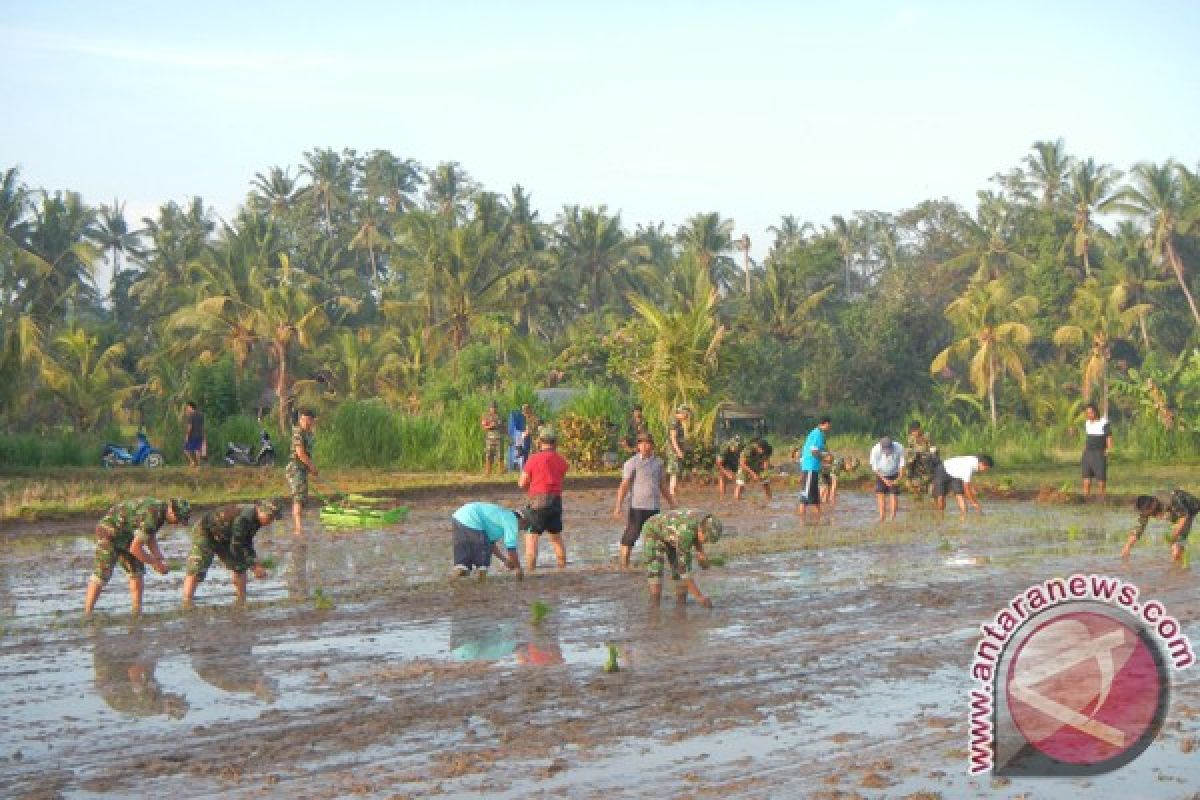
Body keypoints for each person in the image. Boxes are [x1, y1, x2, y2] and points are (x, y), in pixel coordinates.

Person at [84, 497, 191, 616]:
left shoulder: (160, 511)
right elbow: (135, 548)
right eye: (178, 520)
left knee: (136, 571)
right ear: (172, 511)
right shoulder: (153, 514)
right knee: (102, 573)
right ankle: (87, 613)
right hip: (109, 532)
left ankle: (137, 611)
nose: (177, 524)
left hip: (128, 535)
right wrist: (155, 563)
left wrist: (159, 557)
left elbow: (149, 536)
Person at [182, 500, 283, 608]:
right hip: (206, 533)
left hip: (227, 536)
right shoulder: (244, 518)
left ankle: (241, 599)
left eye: (273, 519)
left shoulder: (257, 519)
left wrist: (252, 560)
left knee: (239, 566)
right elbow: (238, 545)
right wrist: (254, 566)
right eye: (270, 517)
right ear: (261, 511)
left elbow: (246, 541)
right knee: (197, 567)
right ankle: (187, 602)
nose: (271, 521)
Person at [613, 431, 676, 569]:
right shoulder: (631, 463)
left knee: (656, 537)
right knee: (630, 536)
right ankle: (624, 565)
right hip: (637, 507)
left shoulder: (658, 463)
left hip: (654, 507)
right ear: (638, 446)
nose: (645, 446)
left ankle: (654, 565)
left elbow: (663, 485)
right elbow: (624, 485)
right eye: (642, 443)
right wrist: (618, 506)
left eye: (648, 443)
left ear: (652, 445)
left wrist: (671, 502)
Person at [641, 509, 723, 608]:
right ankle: (655, 607)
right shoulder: (686, 534)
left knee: (677, 572)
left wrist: (700, 552)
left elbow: (696, 535)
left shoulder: (704, 519)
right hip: (653, 531)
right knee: (656, 571)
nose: (706, 542)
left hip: (673, 533)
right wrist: (700, 597)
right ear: (701, 530)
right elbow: (684, 571)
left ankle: (681, 606)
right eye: (706, 540)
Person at [519, 425, 570, 570]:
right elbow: (560, 476)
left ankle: (530, 570)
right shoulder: (561, 460)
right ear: (555, 443)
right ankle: (562, 568)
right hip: (555, 501)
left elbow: (522, 482)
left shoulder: (534, 459)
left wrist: (530, 489)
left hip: (538, 502)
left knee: (532, 537)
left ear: (540, 442)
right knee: (556, 537)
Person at [451, 501, 526, 580]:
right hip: (472, 517)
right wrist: (518, 569)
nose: (521, 529)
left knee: (462, 566)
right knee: (482, 566)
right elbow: (511, 548)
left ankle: (452, 583)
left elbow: (490, 544)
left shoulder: (500, 519)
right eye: (523, 526)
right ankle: (482, 587)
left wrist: (504, 560)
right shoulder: (512, 519)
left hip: (459, 516)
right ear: (521, 520)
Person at [1121, 489, 1200, 563]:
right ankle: (1179, 568)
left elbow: (1184, 516)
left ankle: (1179, 569)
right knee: (1176, 549)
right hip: (1177, 514)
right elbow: (1139, 528)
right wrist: (1127, 546)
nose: (1149, 515)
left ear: (1153, 504)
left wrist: (1175, 534)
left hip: (1189, 509)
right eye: (1146, 513)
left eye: (1150, 512)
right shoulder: (1145, 508)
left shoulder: (1169, 500)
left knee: (1176, 546)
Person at [286, 409, 318, 532]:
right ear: (300, 420)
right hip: (295, 469)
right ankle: (298, 528)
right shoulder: (298, 433)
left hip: (302, 468)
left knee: (302, 498)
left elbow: (308, 453)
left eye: (308, 420)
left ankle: (299, 526)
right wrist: (312, 466)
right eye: (303, 420)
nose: (306, 422)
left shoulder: (309, 434)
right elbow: (300, 454)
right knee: (298, 498)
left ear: (312, 421)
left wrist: (309, 467)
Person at [798, 417, 831, 524]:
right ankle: (801, 521)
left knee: (815, 497)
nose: (829, 427)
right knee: (805, 497)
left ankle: (819, 519)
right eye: (829, 425)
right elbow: (814, 452)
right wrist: (825, 458)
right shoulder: (817, 434)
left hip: (813, 468)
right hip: (810, 467)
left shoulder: (818, 434)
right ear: (824, 424)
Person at [1081, 403, 1114, 501]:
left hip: (1099, 453)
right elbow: (1088, 438)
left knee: (1101, 478)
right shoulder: (1087, 423)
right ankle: (1086, 497)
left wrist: (1108, 450)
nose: (1089, 415)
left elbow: (1109, 437)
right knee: (1086, 477)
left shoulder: (1104, 422)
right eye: (1087, 413)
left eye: (1091, 412)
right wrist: (1084, 450)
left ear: (1095, 412)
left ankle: (1102, 498)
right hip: (1088, 453)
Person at [869, 436, 906, 521]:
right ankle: (882, 517)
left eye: (889, 449)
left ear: (892, 445)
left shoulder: (899, 448)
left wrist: (898, 479)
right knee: (880, 494)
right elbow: (874, 468)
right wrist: (884, 479)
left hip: (895, 473)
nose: (887, 452)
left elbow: (902, 464)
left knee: (893, 495)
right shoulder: (875, 450)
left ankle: (892, 518)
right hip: (881, 474)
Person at [904, 421, 939, 498]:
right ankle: (919, 504)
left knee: (932, 492)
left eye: (915, 431)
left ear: (919, 429)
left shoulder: (927, 436)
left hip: (928, 463)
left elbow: (934, 450)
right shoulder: (911, 438)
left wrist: (926, 454)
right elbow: (910, 451)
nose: (913, 433)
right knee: (914, 488)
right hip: (917, 465)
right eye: (912, 431)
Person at [667, 405, 690, 496]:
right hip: (673, 450)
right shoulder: (674, 422)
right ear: (682, 413)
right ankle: (672, 492)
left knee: (676, 471)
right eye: (686, 415)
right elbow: (673, 438)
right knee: (674, 471)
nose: (687, 417)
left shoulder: (678, 422)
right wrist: (678, 451)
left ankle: (673, 490)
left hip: (676, 449)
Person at [715, 435, 744, 499]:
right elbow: (718, 463)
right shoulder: (725, 448)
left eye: (738, 446)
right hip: (725, 460)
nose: (737, 448)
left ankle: (737, 496)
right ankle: (722, 496)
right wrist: (727, 473)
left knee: (739, 477)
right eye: (736, 446)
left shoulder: (742, 447)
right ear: (731, 444)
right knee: (722, 476)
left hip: (734, 459)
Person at [481, 401, 503, 475]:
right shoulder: (486, 416)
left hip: (498, 438)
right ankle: (488, 471)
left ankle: (500, 471)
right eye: (492, 407)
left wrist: (506, 435)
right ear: (489, 408)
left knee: (500, 456)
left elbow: (504, 427)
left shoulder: (500, 416)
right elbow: (484, 427)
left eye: (494, 407)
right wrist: (491, 426)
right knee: (489, 455)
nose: (493, 409)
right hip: (490, 438)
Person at [183, 400, 205, 468]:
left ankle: (192, 462)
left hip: (193, 435)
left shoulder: (191, 416)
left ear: (191, 407)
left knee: (185, 449)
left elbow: (190, 427)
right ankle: (198, 465)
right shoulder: (201, 415)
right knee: (197, 449)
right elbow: (202, 426)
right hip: (200, 435)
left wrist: (187, 436)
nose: (187, 409)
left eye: (187, 407)